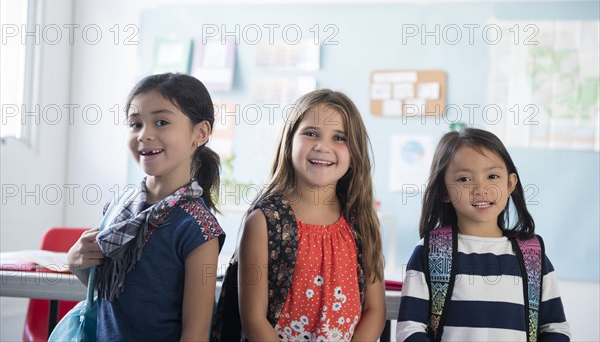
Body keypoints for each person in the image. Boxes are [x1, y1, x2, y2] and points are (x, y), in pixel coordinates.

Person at [67, 73, 225, 341]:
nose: (145, 134)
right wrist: (74, 261)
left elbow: (195, 333)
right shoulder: (119, 208)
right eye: (135, 123)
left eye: (161, 122)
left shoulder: (198, 227)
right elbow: (115, 292)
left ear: (200, 133)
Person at [235, 89, 385, 341]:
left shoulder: (361, 222)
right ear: (289, 140)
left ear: (354, 152)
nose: (322, 146)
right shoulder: (264, 222)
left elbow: (375, 310)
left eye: (339, 137)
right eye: (311, 133)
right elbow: (253, 320)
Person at [396, 128, 571, 341]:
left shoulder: (532, 256)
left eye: (492, 176)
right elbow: (409, 329)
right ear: (444, 191)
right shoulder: (431, 252)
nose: (481, 188)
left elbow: (556, 329)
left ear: (510, 184)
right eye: (464, 179)